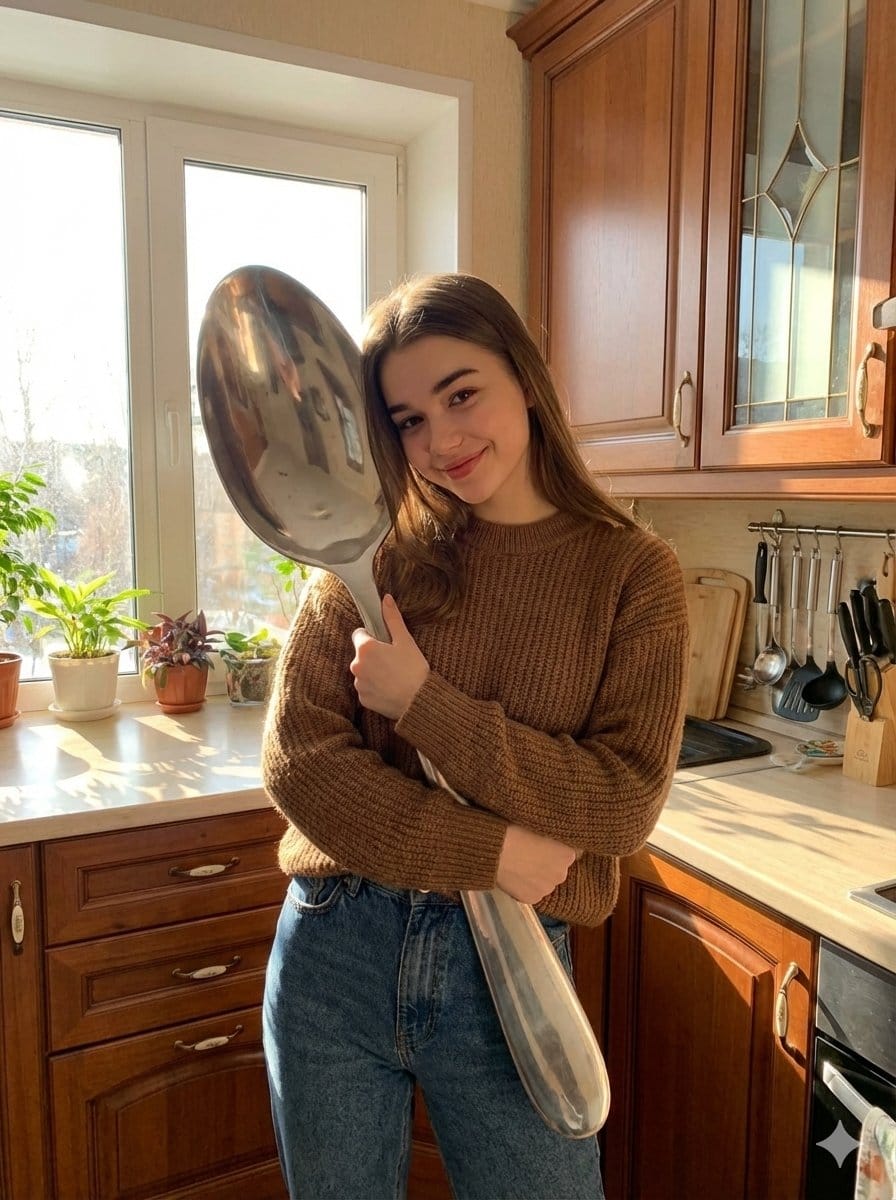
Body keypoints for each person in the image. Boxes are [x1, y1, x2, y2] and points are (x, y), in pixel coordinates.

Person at [261, 272, 689, 1200]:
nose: (442, 441)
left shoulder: (631, 574)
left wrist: (424, 702)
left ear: (524, 379)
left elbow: (622, 801)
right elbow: (299, 763)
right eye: (409, 420)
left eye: (462, 395)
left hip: (508, 971)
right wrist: (489, 850)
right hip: (337, 949)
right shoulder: (368, 552)